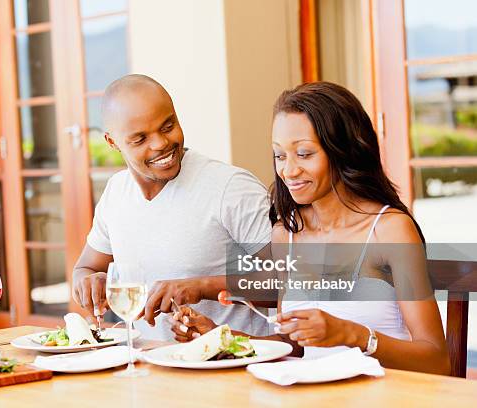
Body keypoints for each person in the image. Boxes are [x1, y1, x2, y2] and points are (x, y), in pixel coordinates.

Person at [171, 82, 451, 375]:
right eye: (280, 156)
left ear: (344, 151)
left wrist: (351, 334)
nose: (288, 171)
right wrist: (224, 340)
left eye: (304, 154)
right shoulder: (286, 234)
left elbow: (436, 360)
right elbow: (295, 346)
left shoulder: (389, 231)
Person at [72, 74, 273, 341]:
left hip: (232, 366)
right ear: (112, 142)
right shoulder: (116, 192)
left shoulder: (230, 187)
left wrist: (202, 287)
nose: (161, 144)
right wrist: (87, 282)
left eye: (168, 126)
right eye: (140, 139)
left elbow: (290, 282)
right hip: (150, 367)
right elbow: (85, 268)